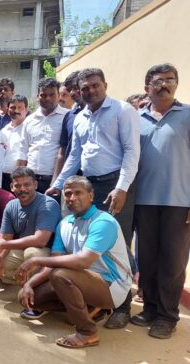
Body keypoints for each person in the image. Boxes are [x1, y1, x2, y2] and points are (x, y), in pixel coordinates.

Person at [47, 68, 140, 329]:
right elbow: (74, 156)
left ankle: (122, 306)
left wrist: (122, 188)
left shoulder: (123, 111)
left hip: (115, 184)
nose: (90, 91)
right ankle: (94, 299)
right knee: (87, 243)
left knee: (119, 243)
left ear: (105, 85)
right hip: (89, 185)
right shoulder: (79, 117)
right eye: (85, 88)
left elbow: (132, 151)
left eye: (95, 85)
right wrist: (58, 184)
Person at [16, 176, 132, 348]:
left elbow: (83, 261)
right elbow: (55, 260)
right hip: (82, 279)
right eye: (68, 193)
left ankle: (87, 332)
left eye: (78, 193)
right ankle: (88, 309)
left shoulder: (103, 222)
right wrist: (29, 284)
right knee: (27, 297)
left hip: (111, 286)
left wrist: (36, 260)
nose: (72, 198)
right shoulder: (64, 223)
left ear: (91, 196)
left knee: (60, 275)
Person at [132, 63, 190, 339]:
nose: (164, 85)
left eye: (170, 80)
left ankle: (168, 316)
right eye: (158, 81)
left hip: (179, 202)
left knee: (173, 262)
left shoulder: (188, 115)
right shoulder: (136, 118)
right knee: (147, 259)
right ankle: (151, 309)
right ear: (147, 87)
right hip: (143, 201)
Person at [0, 167, 61, 283]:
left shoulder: (48, 204)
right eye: (17, 186)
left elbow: (40, 241)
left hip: (47, 252)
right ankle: (27, 281)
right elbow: (5, 237)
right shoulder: (11, 205)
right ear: (11, 187)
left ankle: (36, 282)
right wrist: (0, 257)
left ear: (35, 185)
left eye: (27, 185)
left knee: (31, 253)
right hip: (23, 250)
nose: (22, 189)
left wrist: (3, 245)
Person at [17, 78, 69, 197]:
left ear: (58, 95)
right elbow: (23, 151)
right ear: (37, 97)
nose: (48, 98)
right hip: (31, 179)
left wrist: (56, 183)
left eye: (52, 94)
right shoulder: (29, 120)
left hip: (57, 181)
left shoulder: (67, 117)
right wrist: (19, 180)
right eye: (43, 95)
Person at [53, 70, 85, 179]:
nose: (73, 92)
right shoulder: (69, 116)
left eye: (75, 87)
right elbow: (62, 152)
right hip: (71, 179)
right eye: (70, 89)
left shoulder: (103, 113)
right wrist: (56, 182)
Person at [0, 95, 28, 191]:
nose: (16, 110)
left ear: (26, 110)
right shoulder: (3, 131)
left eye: (20, 107)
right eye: (13, 107)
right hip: (4, 177)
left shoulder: (30, 129)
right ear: (8, 110)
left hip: (23, 177)